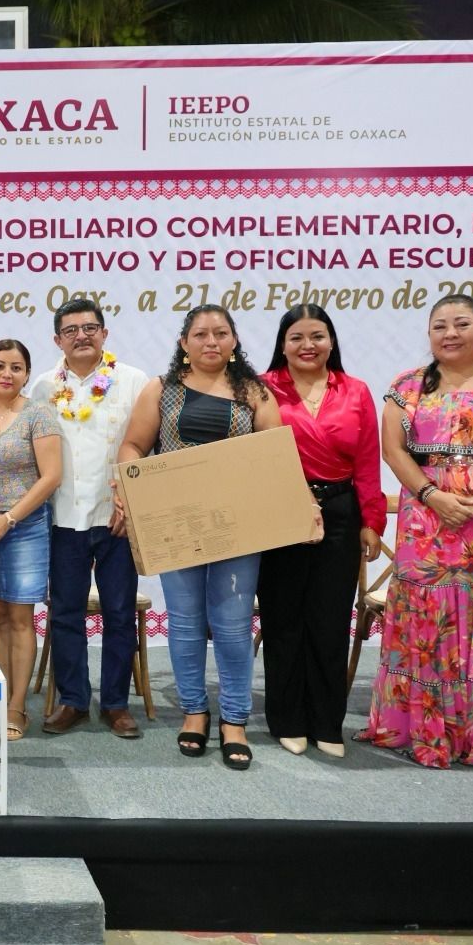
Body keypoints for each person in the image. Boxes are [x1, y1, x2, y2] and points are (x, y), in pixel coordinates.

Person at [357, 294, 473, 772]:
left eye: (462, 323)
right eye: (439, 325)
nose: (450, 333)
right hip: (427, 519)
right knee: (426, 620)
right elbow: (393, 451)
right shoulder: (407, 386)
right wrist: (431, 496)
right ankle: (423, 728)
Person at [116, 305, 283, 771]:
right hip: (177, 523)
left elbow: (275, 456)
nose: (211, 341)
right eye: (200, 334)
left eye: (220, 333)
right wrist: (130, 481)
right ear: (184, 343)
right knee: (186, 621)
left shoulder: (255, 392)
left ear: (234, 342)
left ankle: (234, 719)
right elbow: (133, 446)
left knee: (231, 624)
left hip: (239, 524)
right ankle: (194, 711)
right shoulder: (161, 390)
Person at [258, 305, 387, 758]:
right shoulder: (262, 388)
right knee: (283, 617)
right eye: (296, 337)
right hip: (280, 508)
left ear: (332, 341)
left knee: (330, 619)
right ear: (282, 344)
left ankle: (326, 723)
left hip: (340, 508)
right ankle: (287, 719)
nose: (307, 345)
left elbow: (368, 460)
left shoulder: (355, 391)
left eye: (317, 336)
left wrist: (372, 520)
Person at [31, 298, 149, 739]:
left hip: (117, 517)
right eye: (71, 330)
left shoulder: (134, 381)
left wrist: (131, 502)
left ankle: (117, 703)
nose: (81, 335)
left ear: (104, 333)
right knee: (65, 613)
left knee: (119, 613)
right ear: (57, 339)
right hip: (62, 519)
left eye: (90, 327)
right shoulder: (43, 386)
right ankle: (74, 700)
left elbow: (145, 447)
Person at [0, 339, 61, 741]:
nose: (7, 374)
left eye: (17, 367)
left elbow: (51, 477)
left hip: (23, 527)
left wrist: (9, 518)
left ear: (27, 374)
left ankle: (17, 706)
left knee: (21, 618)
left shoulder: (39, 414)